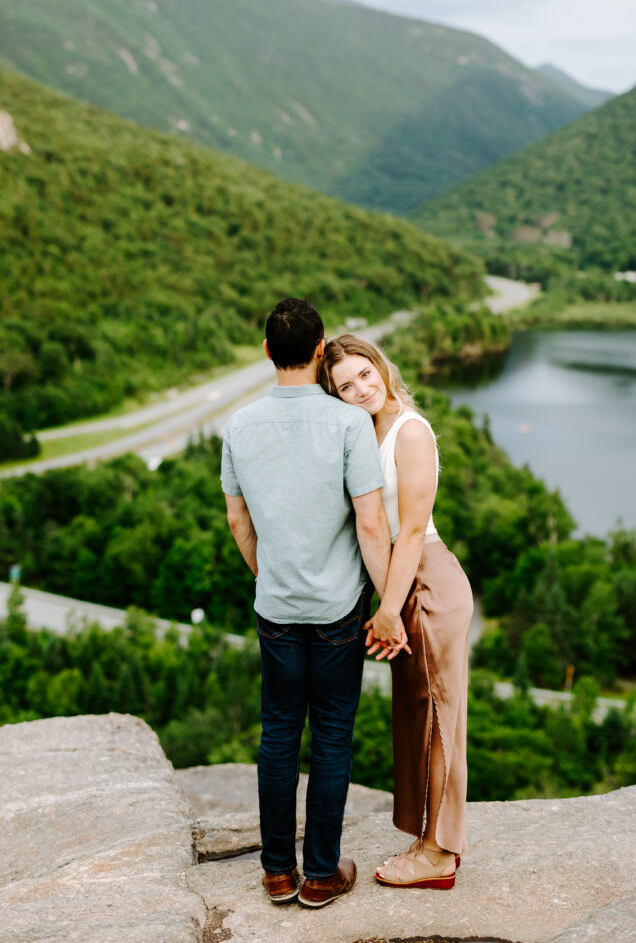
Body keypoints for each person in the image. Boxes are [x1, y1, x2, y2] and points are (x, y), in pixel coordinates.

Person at [221, 300, 396, 908]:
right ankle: (321, 874)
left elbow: (237, 519)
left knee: (277, 738)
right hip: (337, 613)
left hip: (276, 609)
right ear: (321, 350)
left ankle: (276, 872)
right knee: (331, 737)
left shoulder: (239, 424)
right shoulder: (348, 424)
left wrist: (270, 576)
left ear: (267, 351)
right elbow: (372, 526)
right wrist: (388, 607)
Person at [319, 334, 473, 890]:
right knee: (417, 718)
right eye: (345, 385)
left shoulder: (409, 431)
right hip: (403, 584)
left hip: (426, 583)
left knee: (436, 720)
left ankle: (439, 855)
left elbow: (410, 529)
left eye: (365, 374)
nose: (361, 388)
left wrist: (389, 610)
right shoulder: (370, 430)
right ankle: (429, 839)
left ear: (380, 367)